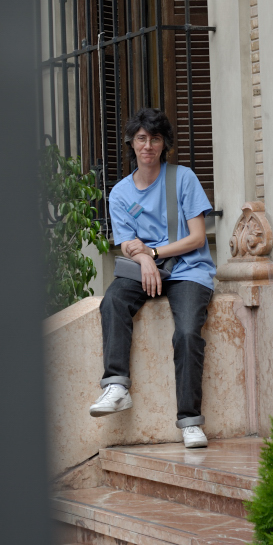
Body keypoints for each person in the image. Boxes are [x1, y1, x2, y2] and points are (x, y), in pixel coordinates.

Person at [89, 107, 216, 448]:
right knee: (113, 300)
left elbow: (197, 238)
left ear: (164, 144)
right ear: (132, 143)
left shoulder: (183, 179)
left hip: (188, 269)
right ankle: (116, 385)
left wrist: (153, 253)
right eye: (142, 138)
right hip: (146, 269)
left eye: (155, 139)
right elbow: (128, 243)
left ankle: (190, 421)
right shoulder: (120, 193)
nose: (148, 146)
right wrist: (144, 258)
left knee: (187, 332)